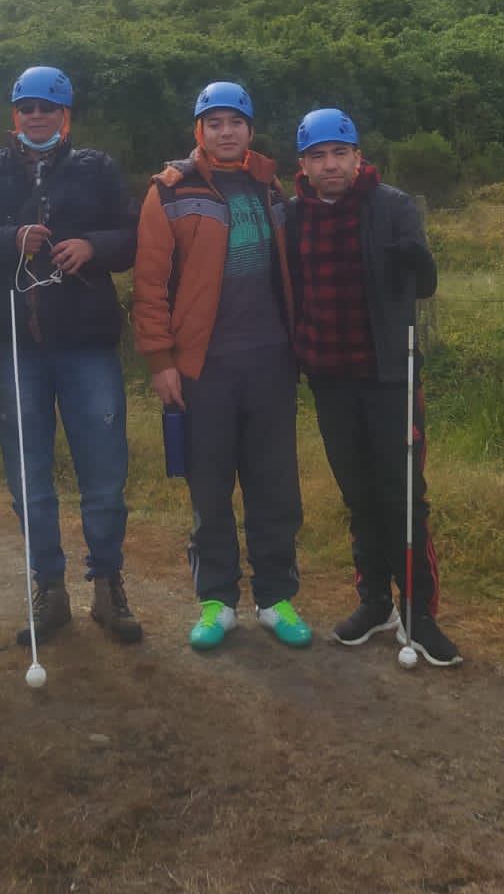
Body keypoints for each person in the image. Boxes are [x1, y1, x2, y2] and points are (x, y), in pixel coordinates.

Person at [0, 66, 142, 645]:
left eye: (49, 108)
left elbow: (134, 235)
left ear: (66, 116)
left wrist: (95, 245)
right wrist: (9, 238)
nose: (38, 116)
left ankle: (108, 587)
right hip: (15, 345)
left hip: (88, 344)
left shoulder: (98, 167)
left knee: (104, 471)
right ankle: (50, 588)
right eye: (28, 107)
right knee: (29, 474)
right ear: (15, 115)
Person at [133, 81, 311, 651]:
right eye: (214, 122)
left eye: (236, 121)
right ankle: (216, 600)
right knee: (209, 487)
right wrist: (162, 362)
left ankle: (275, 597)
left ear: (250, 130)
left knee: (274, 484)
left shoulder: (270, 185)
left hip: (271, 360)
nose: (226, 131)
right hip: (202, 365)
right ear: (199, 132)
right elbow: (149, 283)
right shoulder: (169, 190)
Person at [287, 106, 461, 668]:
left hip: (390, 375)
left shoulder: (393, 206)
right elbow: (288, 291)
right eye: (318, 156)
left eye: (340, 153)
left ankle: (420, 614)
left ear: (357, 157)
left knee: (403, 495)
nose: (330, 164)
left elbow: (425, 283)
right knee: (358, 496)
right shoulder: (289, 218)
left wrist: (417, 260)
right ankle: (374, 603)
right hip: (330, 378)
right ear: (304, 165)